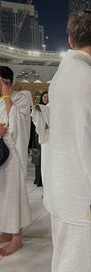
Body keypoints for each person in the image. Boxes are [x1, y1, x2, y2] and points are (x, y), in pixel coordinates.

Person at [43, 10, 91, 272]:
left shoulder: (60, 76)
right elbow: (87, 139)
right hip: (81, 197)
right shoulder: (86, 77)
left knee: (65, 260)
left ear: (70, 39)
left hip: (61, 187)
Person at [0, 66, 32, 256]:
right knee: (2, 195)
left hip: (13, 155)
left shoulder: (21, 97)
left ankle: (16, 237)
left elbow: (19, 124)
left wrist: (6, 95)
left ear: (7, 81)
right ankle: (4, 231)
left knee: (13, 195)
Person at [31, 91, 49, 186]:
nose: (46, 99)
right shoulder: (39, 109)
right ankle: (38, 179)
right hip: (39, 138)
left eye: (47, 97)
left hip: (46, 139)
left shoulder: (49, 108)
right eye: (44, 97)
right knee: (38, 160)